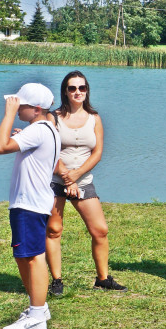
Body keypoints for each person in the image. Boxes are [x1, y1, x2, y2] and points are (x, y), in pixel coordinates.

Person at [45, 71, 126, 296]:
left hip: (83, 181)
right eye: (72, 88)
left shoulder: (95, 118)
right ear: (65, 91)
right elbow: (48, 149)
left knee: (100, 230)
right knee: (53, 230)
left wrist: (76, 176)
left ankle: (102, 279)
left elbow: (97, 152)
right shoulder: (53, 117)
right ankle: (57, 280)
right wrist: (65, 177)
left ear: (87, 90)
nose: (77, 92)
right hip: (54, 180)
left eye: (82, 88)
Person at [0, 83, 61, 329]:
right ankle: (38, 309)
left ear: (37, 109)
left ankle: (36, 316)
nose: (17, 107)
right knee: (25, 255)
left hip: (29, 203)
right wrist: (23, 132)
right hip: (33, 202)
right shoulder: (46, 129)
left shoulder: (39, 130)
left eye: (21, 105)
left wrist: (8, 115)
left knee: (33, 257)